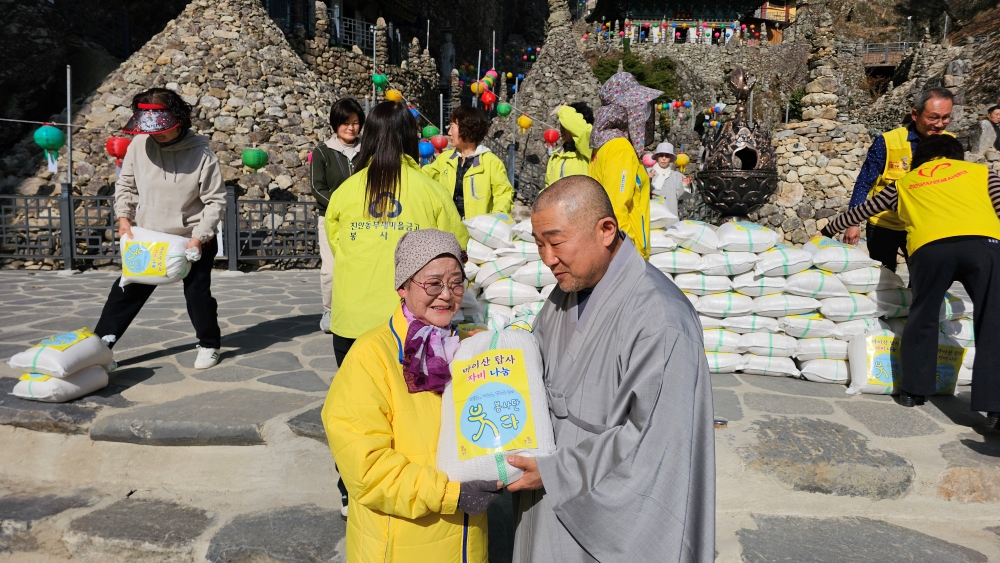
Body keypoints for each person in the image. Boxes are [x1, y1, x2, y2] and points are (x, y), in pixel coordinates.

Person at [506, 176, 716, 562]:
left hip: (599, 511)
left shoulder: (661, 319)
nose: (548, 259)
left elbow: (658, 447)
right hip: (543, 497)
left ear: (606, 230)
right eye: (539, 245)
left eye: (556, 242)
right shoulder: (566, 293)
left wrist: (556, 472)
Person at [322, 229, 502, 562]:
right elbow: (367, 469)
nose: (446, 295)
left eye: (456, 282)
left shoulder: (468, 349)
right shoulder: (371, 355)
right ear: (403, 287)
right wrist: (451, 494)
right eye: (433, 283)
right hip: (401, 546)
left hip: (467, 543)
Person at [821, 135, 1000, 429]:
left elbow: (864, 210)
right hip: (984, 245)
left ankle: (914, 392)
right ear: (956, 157)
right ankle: (995, 408)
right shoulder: (981, 173)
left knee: (924, 314)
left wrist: (828, 230)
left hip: (930, 249)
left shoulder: (905, 182)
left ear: (921, 159)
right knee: (993, 319)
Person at [95, 88, 225, 370]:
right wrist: (124, 217)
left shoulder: (202, 154)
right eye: (151, 129)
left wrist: (199, 238)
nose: (157, 134)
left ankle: (209, 344)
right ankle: (100, 347)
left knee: (197, 295)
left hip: (191, 237)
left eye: (163, 129)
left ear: (179, 120)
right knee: (126, 292)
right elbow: (126, 185)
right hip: (150, 237)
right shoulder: (138, 145)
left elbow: (215, 201)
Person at [842, 87, 956, 271]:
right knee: (885, 279)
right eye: (933, 117)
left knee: (923, 279)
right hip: (883, 225)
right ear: (915, 114)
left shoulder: (950, 144)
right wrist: (853, 222)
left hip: (923, 226)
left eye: (946, 117)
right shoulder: (888, 142)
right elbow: (864, 182)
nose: (940, 124)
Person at [588, 72, 662, 260]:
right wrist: (629, 255)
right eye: (641, 107)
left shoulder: (604, 145)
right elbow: (616, 208)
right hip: (625, 254)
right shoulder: (620, 148)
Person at [311, 97, 365, 334]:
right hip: (331, 220)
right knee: (331, 269)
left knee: (361, 266)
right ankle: (330, 309)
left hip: (364, 220)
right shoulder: (323, 152)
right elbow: (317, 188)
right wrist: (339, 210)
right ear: (335, 124)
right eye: (345, 123)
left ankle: (358, 308)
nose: (351, 128)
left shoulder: (368, 151)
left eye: (355, 122)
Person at [423, 106, 514, 219]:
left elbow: (504, 194)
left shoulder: (491, 162)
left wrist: (494, 218)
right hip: (448, 229)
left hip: (476, 231)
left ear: (466, 128)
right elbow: (421, 177)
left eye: (452, 127)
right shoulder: (445, 159)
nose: (449, 132)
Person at [544, 102, 594, 188]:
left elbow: (582, 132)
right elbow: (548, 187)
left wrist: (563, 110)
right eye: (561, 124)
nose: (561, 128)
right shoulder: (555, 156)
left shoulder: (588, 151)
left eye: (566, 124)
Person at [647, 141, 692, 215]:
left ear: (671, 158)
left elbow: (681, 196)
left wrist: (685, 185)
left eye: (667, 156)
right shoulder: (647, 172)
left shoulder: (676, 176)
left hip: (669, 215)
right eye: (661, 155)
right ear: (657, 157)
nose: (664, 158)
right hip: (650, 214)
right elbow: (636, 191)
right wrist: (646, 179)